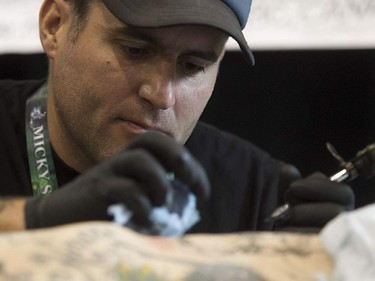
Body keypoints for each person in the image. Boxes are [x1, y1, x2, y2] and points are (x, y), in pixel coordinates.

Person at [0, 0, 354, 233]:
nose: (161, 95)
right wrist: (34, 221)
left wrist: (326, 264)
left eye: (192, 66)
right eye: (134, 50)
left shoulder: (258, 194)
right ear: (55, 26)